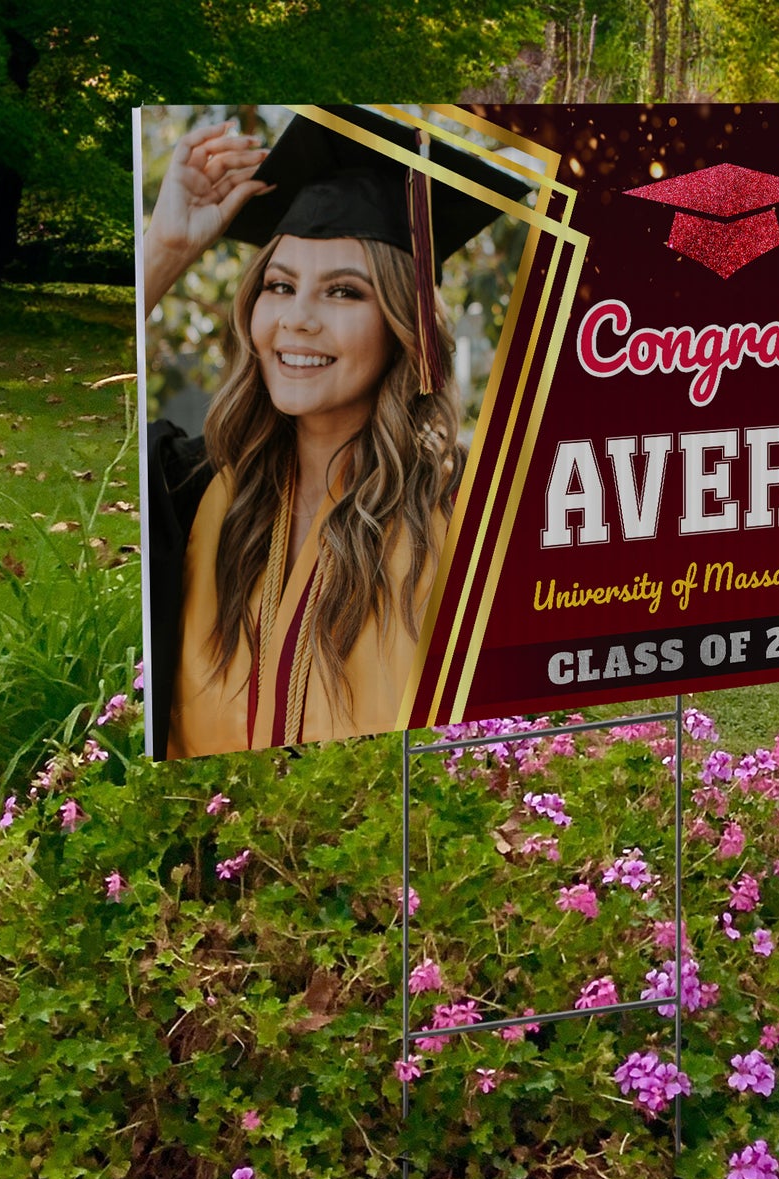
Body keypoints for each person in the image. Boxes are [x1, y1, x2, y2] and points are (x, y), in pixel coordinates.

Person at [141, 106, 529, 758]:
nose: (298, 319)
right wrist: (165, 251)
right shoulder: (195, 487)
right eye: (279, 284)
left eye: (344, 293)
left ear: (404, 326)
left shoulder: (467, 510)